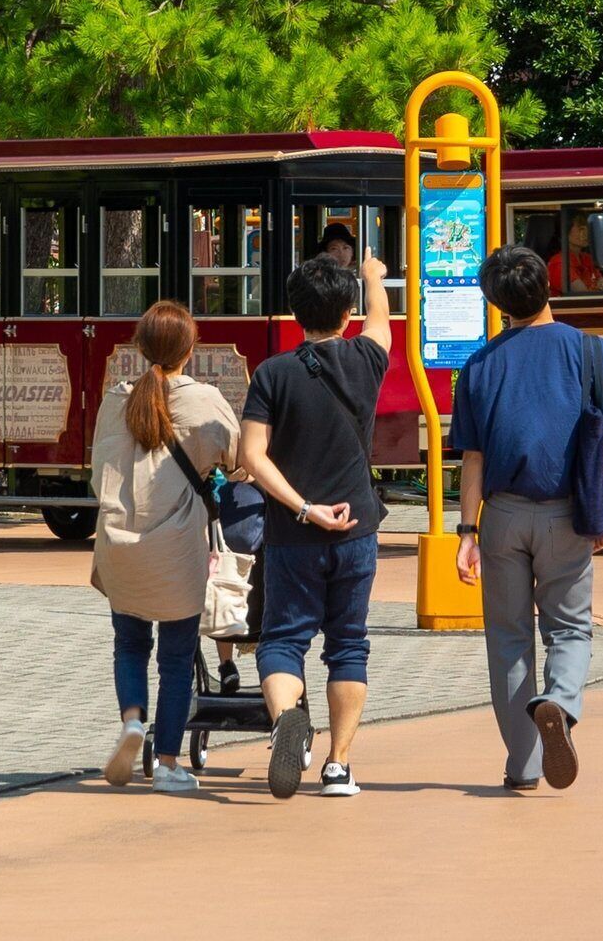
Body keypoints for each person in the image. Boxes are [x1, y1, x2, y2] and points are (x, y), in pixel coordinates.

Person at [449, 242, 603, 790]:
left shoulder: (481, 364)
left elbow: (474, 458)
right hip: (567, 514)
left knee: (508, 640)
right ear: (550, 287)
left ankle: (523, 765)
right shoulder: (592, 352)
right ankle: (558, 702)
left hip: (503, 516)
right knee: (570, 628)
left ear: (496, 302)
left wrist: (467, 533)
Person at [236, 247, 391, 798]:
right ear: (347, 313)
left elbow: (253, 457)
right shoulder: (368, 360)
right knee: (349, 644)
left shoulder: (273, 373)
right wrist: (372, 277)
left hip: (294, 533)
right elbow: (381, 322)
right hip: (357, 529)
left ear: (294, 313)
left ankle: (285, 720)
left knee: (281, 639)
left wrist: (303, 507)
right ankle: (339, 767)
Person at [92, 300, 236, 794]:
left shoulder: (116, 400)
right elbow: (237, 459)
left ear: (138, 346)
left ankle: (133, 719)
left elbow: (97, 473)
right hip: (176, 550)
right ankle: (170, 762)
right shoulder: (205, 401)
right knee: (176, 659)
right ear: (191, 349)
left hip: (119, 547)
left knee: (129, 643)